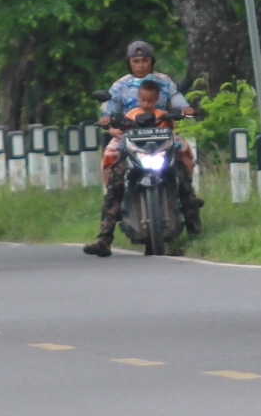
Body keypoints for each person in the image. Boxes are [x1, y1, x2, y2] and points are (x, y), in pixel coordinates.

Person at [84, 42, 202, 257]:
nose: (140, 65)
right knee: (113, 167)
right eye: (136, 61)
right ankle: (104, 236)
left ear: (151, 61)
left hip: (163, 134)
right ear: (129, 63)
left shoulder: (164, 81)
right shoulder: (120, 85)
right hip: (128, 138)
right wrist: (108, 123)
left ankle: (194, 220)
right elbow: (109, 107)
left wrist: (185, 108)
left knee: (184, 156)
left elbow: (176, 98)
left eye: (144, 60)